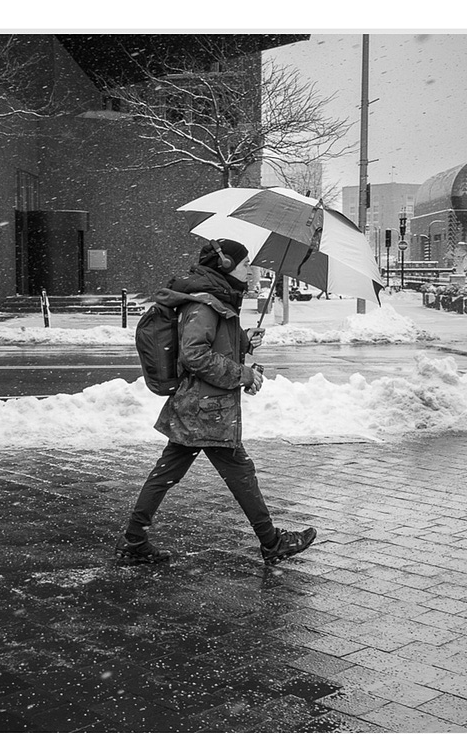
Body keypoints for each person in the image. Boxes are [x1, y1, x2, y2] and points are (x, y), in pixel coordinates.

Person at [116, 238, 317, 570]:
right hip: (206, 410)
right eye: (243, 264)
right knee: (239, 474)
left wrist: (243, 339)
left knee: (167, 473)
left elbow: (213, 345)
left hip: (200, 408)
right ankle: (271, 543)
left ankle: (134, 540)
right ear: (224, 267)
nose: (249, 270)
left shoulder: (215, 301)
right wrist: (243, 374)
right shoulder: (205, 305)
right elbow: (194, 354)